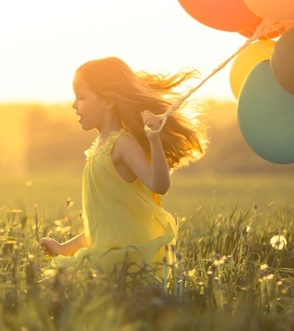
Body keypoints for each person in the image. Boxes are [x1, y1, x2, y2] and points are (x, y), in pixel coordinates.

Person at [38, 56, 206, 280]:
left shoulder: (122, 145)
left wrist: (154, 139)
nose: (74, 105)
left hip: (125, 265)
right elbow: (100, 227)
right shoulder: (98, 151)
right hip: (103, 259)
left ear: (108, 101)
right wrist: (62, 248)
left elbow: (160, 185)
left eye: (81, 97)